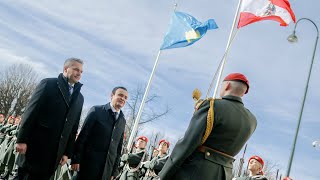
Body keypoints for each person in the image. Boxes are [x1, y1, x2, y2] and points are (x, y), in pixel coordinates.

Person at [159, 73, 257, 180]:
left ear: (227, 85)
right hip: (225, 174)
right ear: (242, 93)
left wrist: (164, 174)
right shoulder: (252, 120)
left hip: (195, 171)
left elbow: (188, 143)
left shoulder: (212, 105)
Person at [15, 58, 84, 180]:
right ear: (65, 69)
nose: (79, 73)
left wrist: (66, 152)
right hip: (35, 147)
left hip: (54, 155)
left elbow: (73, 127)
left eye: (81, 71)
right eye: (76, 69)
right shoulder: (48, 84)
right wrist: (21, 139)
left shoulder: (79, 98)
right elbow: (31, 112)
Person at [71, 87, 128, 180]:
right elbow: (83, 136)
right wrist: (76, 159)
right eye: (120, 95)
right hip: (88, 166)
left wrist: (114, 171)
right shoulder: (96, 111)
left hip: (106, 172)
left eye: (125, 97)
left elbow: (118, 149)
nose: (123, 99)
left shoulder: (122, 121)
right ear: (112, 96)